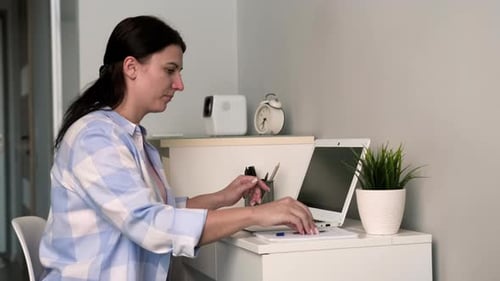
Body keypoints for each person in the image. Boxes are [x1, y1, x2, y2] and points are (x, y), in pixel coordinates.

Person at [39, 15, 317, 281]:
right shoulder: (94, 138)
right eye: (170, 70)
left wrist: (223, 197)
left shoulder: (130, 138)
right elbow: (151, 224)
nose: (179, 84)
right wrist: (257, 214)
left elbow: (161, 209)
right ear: (131, 67)